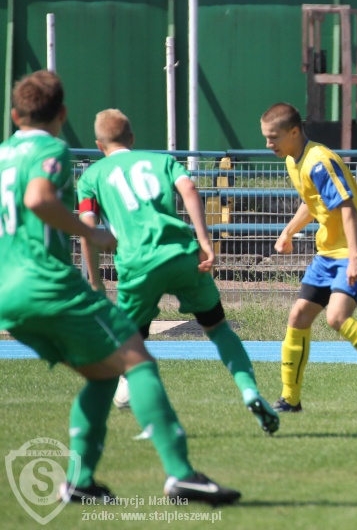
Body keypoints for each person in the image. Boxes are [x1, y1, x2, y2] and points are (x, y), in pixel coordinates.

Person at [0, 70, 240, 505]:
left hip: (7, 293)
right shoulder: (50, 149)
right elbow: (38, 198)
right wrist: (91, 233)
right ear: (63, 114)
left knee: (102, 374)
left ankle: (80, 480)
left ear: (16, 115)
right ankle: (181, 474)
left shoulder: (2, 155)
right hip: (46, 285)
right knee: (137, 359)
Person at [77, 109, 279, 436]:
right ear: (132, 138)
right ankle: (250, 392)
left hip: (138, 265)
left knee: (132, 349)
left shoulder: (92, 176)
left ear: (99, 145)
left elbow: (87, 229)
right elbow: (189, 190)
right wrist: (205, 241)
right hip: (183, 255)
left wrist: (96, 282)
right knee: (218, 328)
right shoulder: (162, 161)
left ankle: (155, 422)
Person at [260, 102, 357, 413]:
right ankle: (290, 399)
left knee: (336, 317)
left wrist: (355, 258)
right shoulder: (293, 160)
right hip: (328, 253)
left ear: (294, 132)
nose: (268, 144)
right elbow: (313, 202)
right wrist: (288, 232)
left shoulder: (319, 161)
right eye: (266, 137)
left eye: (273, 137)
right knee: (298, 316)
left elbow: (348, 208)